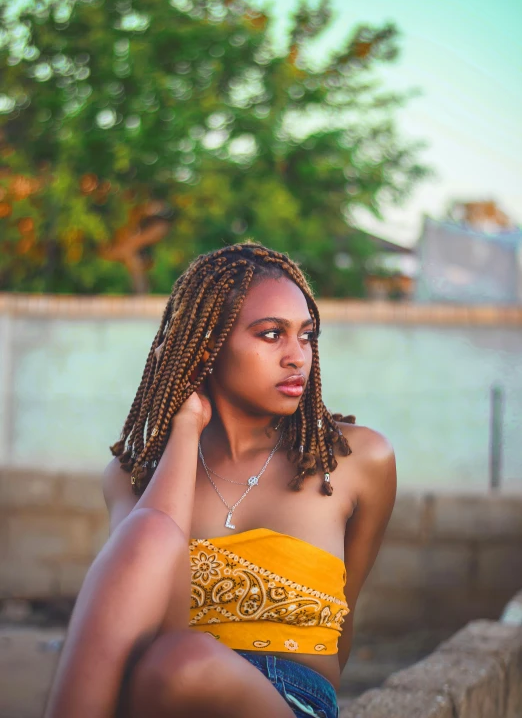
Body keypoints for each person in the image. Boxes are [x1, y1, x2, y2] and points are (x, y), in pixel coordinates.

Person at [44, 241, 396, 718]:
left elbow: (342, 629)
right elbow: (129, 626)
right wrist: (185, 426)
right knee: (150, 536)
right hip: (160, 695)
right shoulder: (133, 475)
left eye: (307, 336)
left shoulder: (356, 459)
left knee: (183, 660)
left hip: (291, 701)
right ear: (208, 345)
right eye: (272, 334)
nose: (298, 357)